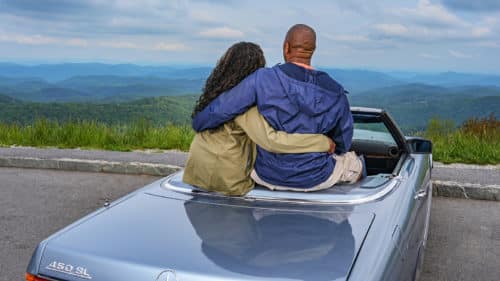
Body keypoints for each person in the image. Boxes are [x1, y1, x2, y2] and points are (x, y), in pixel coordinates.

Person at [192, 24, 364, 192]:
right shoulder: (336, 91)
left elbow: (222, 109)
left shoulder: (262, 79)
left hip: (266, 175)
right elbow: (342, 142)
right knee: (356, 165)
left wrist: (198, 123)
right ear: (313, 50)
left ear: (286, 47)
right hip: (318, 177)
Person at [183, 42, 334, 196]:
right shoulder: (245, 106)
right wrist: (322, 142)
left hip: (197, 174)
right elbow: (271, 141)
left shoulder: (217, 96)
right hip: (223, 180)